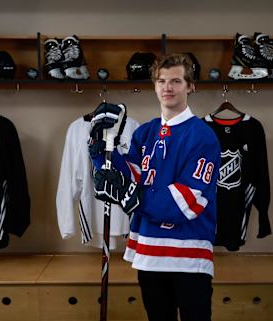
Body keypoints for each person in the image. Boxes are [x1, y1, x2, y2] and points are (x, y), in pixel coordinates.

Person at [89, 53, 221, 321]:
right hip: (149, 254)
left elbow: (186, 202)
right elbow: (126, 178)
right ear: (154, 85)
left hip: (188, 258)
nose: (167, 88)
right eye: (161, 81)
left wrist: (133, 196)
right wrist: (100, 149)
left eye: (176, 81)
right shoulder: (145, 132)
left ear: (190, 86)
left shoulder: (203, 136)